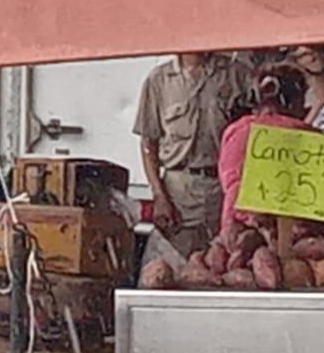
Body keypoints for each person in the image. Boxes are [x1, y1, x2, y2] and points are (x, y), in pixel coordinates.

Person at [134, 52, 251, 255]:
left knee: (228, 262)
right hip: (180, 193)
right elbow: (148, 144)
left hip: (225, 190)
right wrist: (159, 195)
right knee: (179, 268)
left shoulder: (236, 74)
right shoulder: (159, 80)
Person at [217, 64, 314, 236]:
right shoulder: (307, 134)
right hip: (299, 232)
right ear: (294, 99)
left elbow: (228, 182)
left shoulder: (235, 130)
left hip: (237, 228)